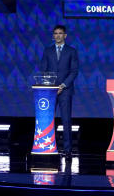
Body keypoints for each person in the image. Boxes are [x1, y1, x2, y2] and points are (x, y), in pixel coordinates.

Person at [38, 25, 79, 155]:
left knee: (66, 120)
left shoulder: (71, 51)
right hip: (50, 91)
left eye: (60, 33)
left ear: (65, 35)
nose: (58, 35)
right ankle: (47, 147)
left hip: (65, 91)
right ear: (53, 35)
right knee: (48, 120)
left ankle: (67, 150)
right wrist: (51, 86)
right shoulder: (47, 51)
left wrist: (62, 86)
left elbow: (74, 71)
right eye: (55, 33)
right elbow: (43, 70)